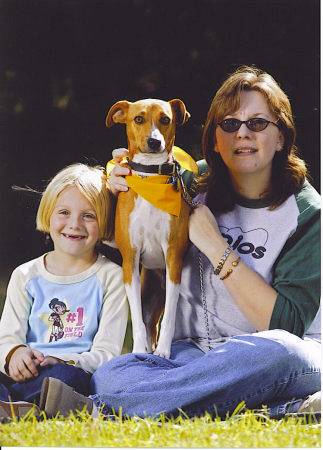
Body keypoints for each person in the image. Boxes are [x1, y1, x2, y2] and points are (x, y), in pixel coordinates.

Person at [39, 66, 320, 419]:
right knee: (113, 374)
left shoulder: (306, 211)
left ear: (282, 136)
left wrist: (216, 247)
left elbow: (288, 325)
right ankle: (285, 408)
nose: (243, 134)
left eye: (258, 123)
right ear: (215, 138)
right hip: (190, 354)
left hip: (275, 354)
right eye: (230, 124)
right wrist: (116, 191)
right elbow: (135, 237)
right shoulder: (187, 181)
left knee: (280, 352)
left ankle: (106, 408)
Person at [0, 163, 128, 420]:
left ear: (105, 223)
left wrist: (59, 359)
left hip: (67, 373)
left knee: (63, 379)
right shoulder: (26, 276)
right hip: (22, 373)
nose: (75, 224)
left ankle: (18, 407)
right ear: (48, 215)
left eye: (88, 215)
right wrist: (16, 354)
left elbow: (106, 354)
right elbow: (7, 338)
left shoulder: (112, 278)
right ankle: (18, 406)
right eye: (64, 212)